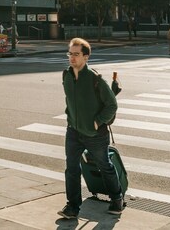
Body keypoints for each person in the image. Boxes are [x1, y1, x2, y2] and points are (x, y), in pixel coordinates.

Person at [58, 37, 123, 219]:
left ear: (86, 57)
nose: (72, 58)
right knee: (71, 168)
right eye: (70, 54)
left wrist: (98, 121)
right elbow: (69, 101)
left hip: (95, 134)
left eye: (76, 54)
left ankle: (117, 198)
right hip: (73, 131)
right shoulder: (66, 76)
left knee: (105, 166)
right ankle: (72, 207)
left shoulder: (96, 79)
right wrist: (70, 117)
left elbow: (112, 104)